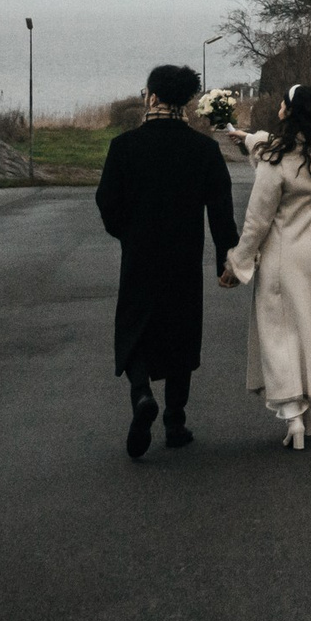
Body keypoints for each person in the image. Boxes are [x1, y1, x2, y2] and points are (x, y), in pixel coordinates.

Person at [94, 63, 236, 460]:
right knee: (181, 335)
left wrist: (127, 234)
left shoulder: (123, 147)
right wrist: (228, 260)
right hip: (183, 257)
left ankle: (141, 393)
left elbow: (107, 202)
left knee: (134, 327)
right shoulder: (203, 150)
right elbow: (220, 211)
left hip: (140, 256)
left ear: (152, 97)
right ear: (186, 101)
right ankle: (175, 422)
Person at [219, 84, 311, 450]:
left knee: (278, 334)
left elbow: (258, 220)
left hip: (281, 255)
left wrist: (237, 263)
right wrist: (246, 138)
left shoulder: (277, 160)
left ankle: (292, 413)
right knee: (308, 327)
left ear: (290, 112)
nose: (277, 108)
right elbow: (272, 146)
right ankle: (307, 412)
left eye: (282, 104)